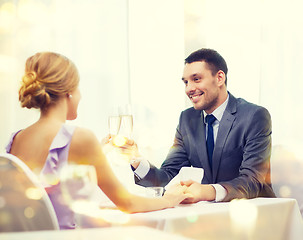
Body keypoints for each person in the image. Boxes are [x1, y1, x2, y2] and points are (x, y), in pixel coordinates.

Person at [5, 52, 189, 229]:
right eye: (78, 88)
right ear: (69, 92)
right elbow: (128, 202)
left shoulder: (16, 139)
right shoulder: (79, 137)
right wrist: (168, 200)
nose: (81, 96)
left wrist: (97, 153)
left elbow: (48, 187)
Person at [125, 48, 276, 203]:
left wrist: (207, 191)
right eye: (185, 82)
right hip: (210, 215)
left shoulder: (254, 116)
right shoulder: (187, 119)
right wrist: (136, 160)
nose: (189, 88)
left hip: (255, 213)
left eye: (196, 79)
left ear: (219, 78)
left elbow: (252, 181)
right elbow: (168, 176)